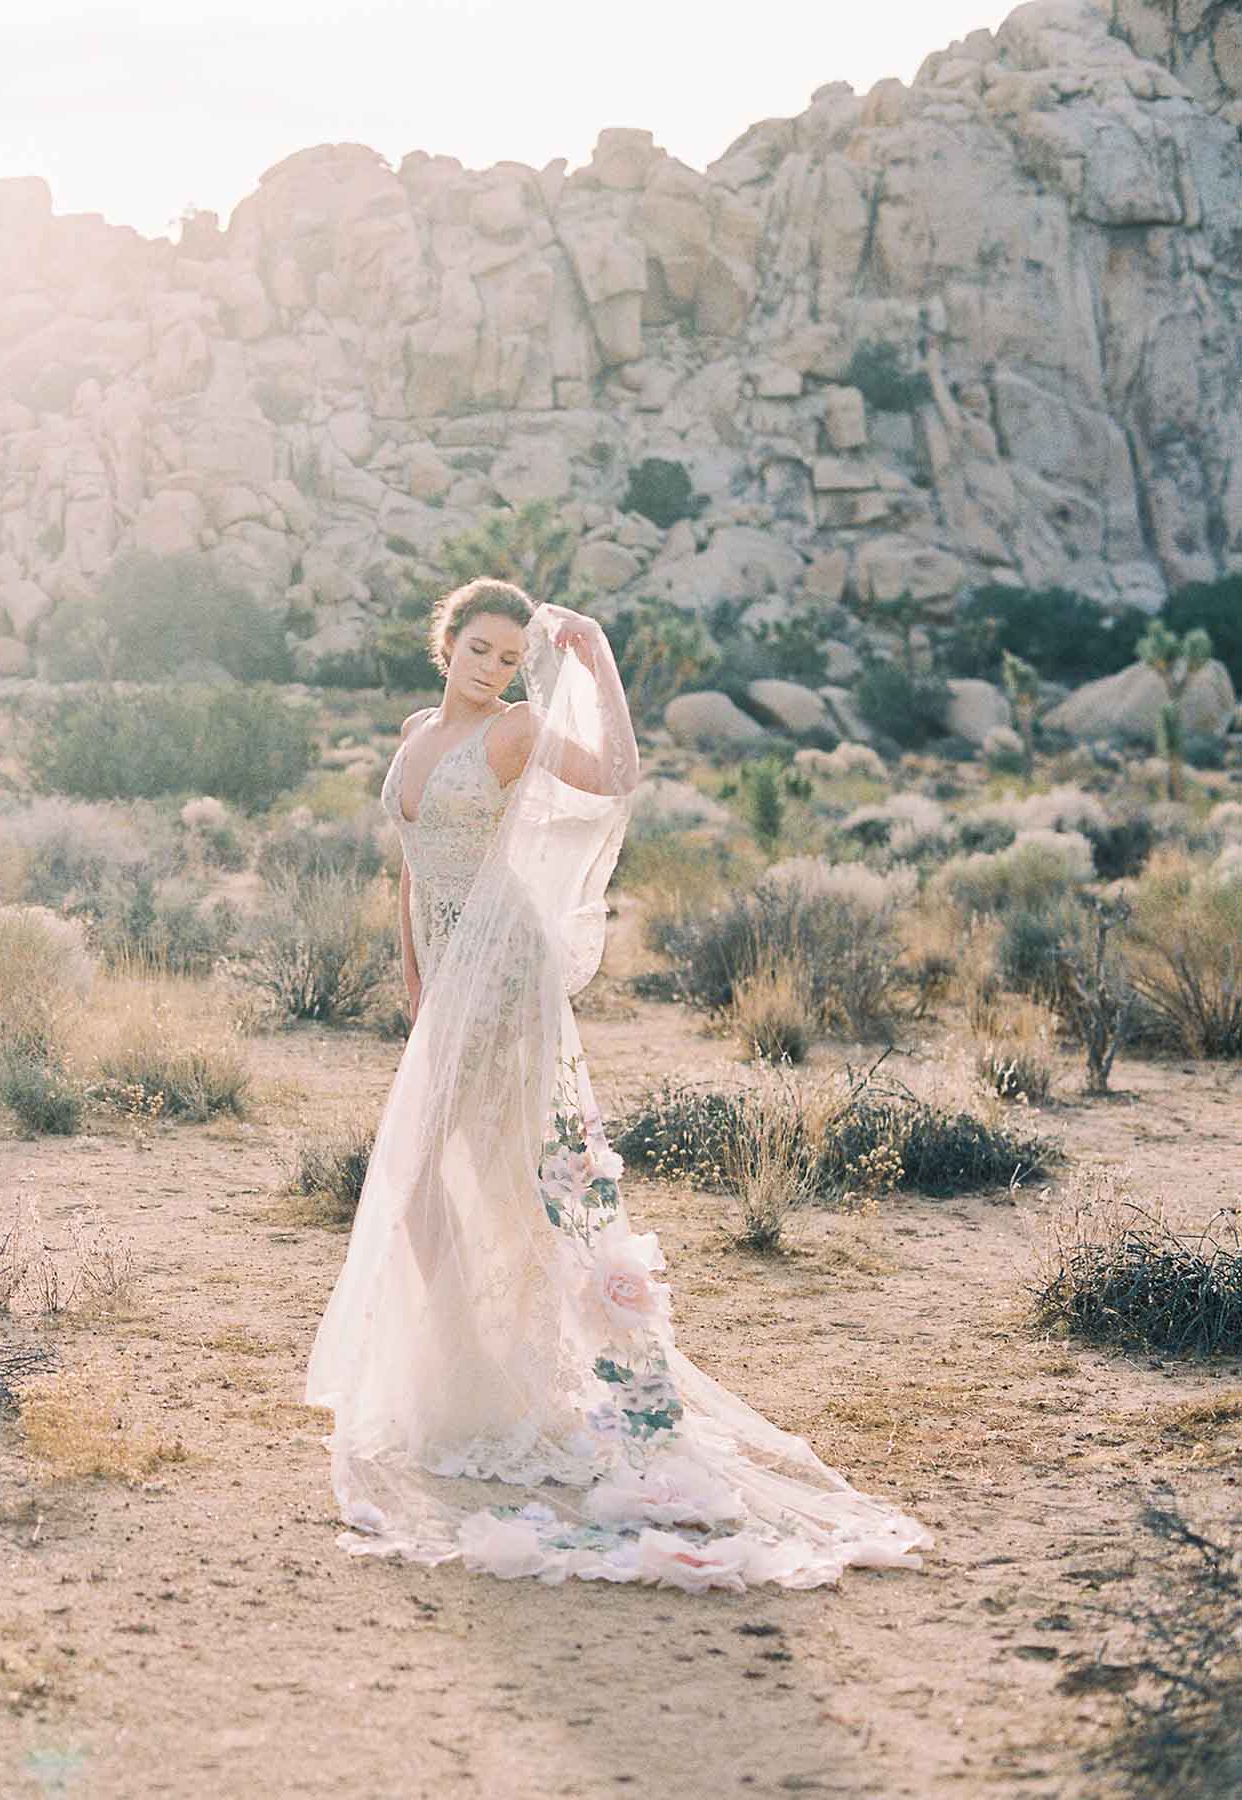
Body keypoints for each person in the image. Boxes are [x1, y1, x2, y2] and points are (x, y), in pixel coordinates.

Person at [303, 577, 932, 1591]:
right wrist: (414, 978)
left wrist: (591, 655)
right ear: (447, 641)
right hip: (446, 982)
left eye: (512, 655)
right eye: (481, 647)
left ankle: (506, 1386)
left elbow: (617, 775)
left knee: (491, 1183)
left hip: (506, 980)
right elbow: (415, 870)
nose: (494, 665)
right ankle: (476, 1379)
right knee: (438, 1182)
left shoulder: (511, 733)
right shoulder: (420, 729)